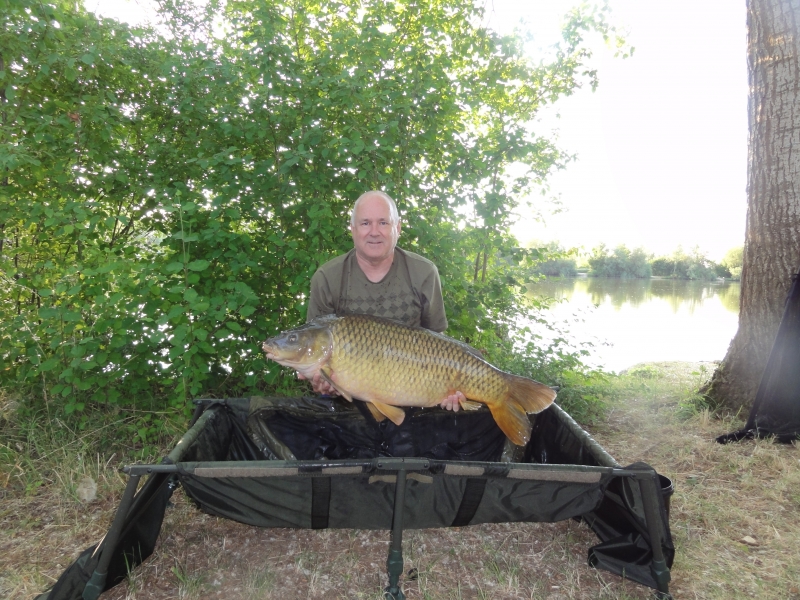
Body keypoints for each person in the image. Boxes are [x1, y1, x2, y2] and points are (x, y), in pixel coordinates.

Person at [303, 190, 464, 411]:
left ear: (397, 228)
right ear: (353, 229)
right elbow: (315, 343)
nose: (374, 232)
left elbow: (439, 342)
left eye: (383, 223)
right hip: (346, 398)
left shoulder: (423, 272)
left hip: (412, 388)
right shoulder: (327, 278)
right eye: (365, 223)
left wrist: (449, 387)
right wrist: (321, 382)